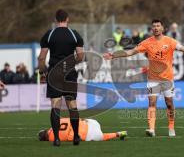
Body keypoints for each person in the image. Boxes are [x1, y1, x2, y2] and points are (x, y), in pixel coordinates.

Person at [103, 19, 184, 137]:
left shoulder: (170, 41)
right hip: (153, 78)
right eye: (154, 26)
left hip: (167, 78)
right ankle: (151, 129)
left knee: (169, 103)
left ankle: (171, 127)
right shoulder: (147, 42)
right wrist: (113, 55)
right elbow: (130, 52)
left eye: (158, 26)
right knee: (152, 102)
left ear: (162, 28)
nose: (156, 28)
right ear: (152, 29)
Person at [38, 9, 84, 146]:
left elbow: (41, 58)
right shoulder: (75, 35)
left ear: (56, 19)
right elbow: (81, 56)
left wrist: (42, 72)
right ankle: (76, 136)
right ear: (67, 19)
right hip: (69, 73)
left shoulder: (49, 34)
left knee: (55, 105)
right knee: (72, 104)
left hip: (54, 73)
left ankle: (57, 138)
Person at [38, 118, 127, 142]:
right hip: (93, 123)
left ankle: (119, 134)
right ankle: (120, 133)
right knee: (86, 120)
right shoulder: (59, 121)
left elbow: (69, 138)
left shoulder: (52, 138)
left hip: (92, 136)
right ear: (46, 130)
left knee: (103, 136)